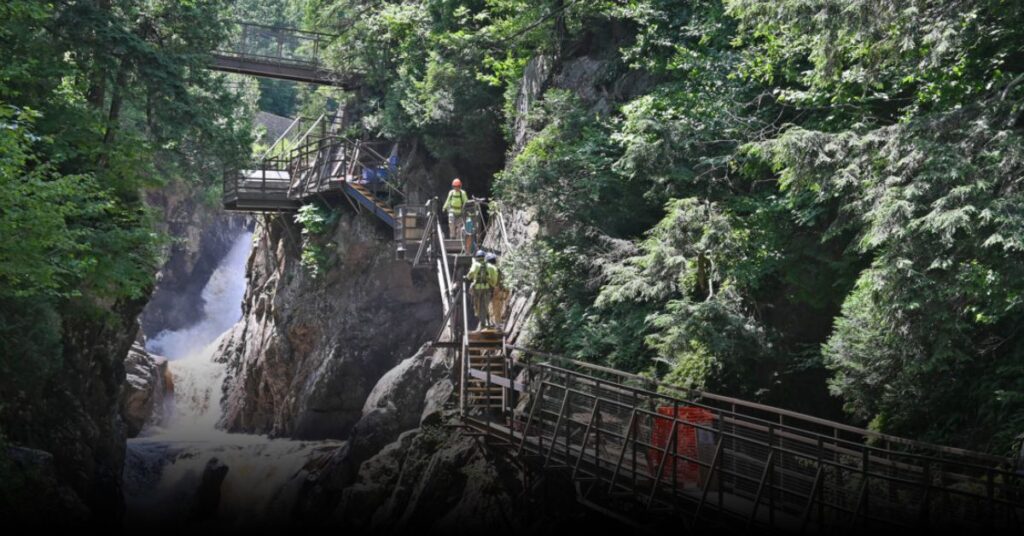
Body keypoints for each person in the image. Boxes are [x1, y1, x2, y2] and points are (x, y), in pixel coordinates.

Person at [467, 250, 498, 330]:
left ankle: (483, 323)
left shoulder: (475, 265)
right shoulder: (490, 266)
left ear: (477, 257)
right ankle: (487, 323)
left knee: (478, 307)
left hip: (477, 290)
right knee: (485, 305)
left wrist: (468, 277)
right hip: (486, 289)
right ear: (484, 257)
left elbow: (470, 275)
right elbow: (494, 281)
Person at [486, 252, 506, 328]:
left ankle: (494, 323)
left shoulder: (489, 269)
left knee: (492, 308)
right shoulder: (498, 269)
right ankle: (496, 323)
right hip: (499, 290)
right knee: (498, 308)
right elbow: (502, 280)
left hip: (493, 290)